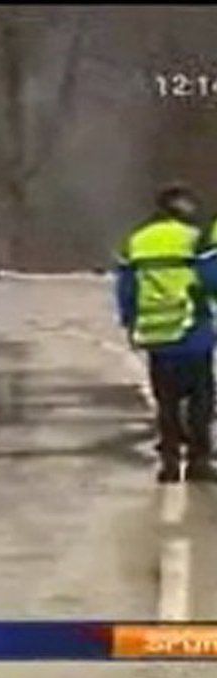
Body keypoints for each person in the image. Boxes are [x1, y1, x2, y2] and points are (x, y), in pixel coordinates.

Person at [116, 183, 217, 483]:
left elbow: (126, 289)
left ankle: (170, 462)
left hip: (156, 336)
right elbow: (212, 279)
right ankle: (199, 460)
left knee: (167, 402)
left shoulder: (137, 240)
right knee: (201, 399)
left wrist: (131, 321)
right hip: (191, 331)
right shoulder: (196, 239)